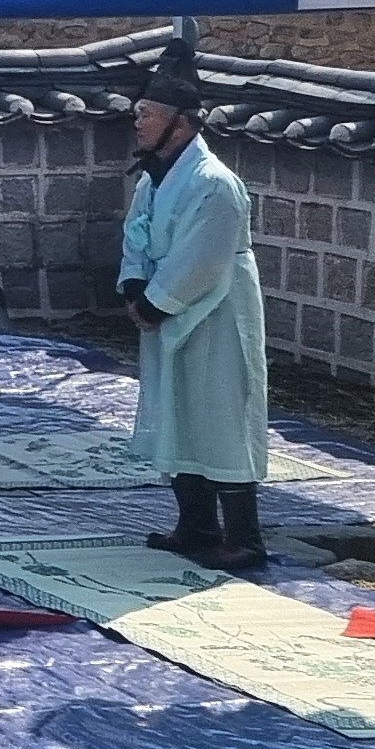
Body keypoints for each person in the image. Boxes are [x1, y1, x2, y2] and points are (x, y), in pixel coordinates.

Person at [122, 41, 270, 572]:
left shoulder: (215, 184)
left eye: (147, 114)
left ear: (180, 124)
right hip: (170, 306)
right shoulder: (153, 176)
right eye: (139, 113)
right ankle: (196, 524)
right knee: (179, 413)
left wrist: (156, 303)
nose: (138, 123)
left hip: (217, 311)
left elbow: (203, 258)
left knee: (221, 416)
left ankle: (245, 537)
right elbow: (136, 235)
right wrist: (135, 287)